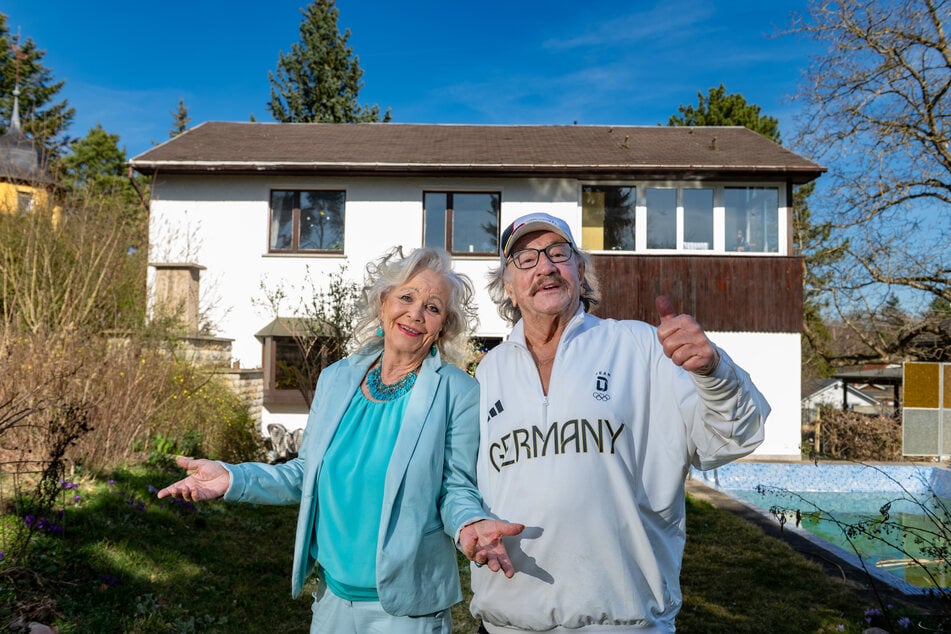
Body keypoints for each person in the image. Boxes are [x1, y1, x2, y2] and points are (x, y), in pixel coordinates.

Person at [157, 246, 521, 634]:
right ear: (383, 303)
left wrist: (469, 524)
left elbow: (455, 488)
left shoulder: (457, 392)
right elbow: (304, 473)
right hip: (331, 601)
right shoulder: (335, 378)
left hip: (407, 609)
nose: (416, 313)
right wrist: (232, 477)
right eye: (407, 297)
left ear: (442, 327)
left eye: (433, 308)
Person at [469, 213, 770, 633]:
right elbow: (465, 484)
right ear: (508, 287)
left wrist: (713, 372)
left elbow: (733, 437)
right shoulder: (488, 373)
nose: (545, 267)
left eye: (558, 253)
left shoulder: (640, 347)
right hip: (506, 624)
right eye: (526, 258)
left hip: (622, 623)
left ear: (580, 271)